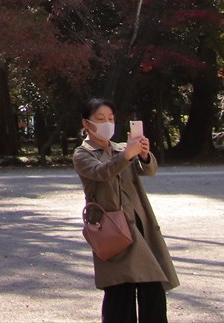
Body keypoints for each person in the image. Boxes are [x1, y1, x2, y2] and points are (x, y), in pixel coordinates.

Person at [74, 98, 178, 323]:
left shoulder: (121, 148)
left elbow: (148, 170)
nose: (107, 123)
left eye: (111, 119)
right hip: (112, 228)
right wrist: (127, 155)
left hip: (139, 223)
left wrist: (143, 155)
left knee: (153, 283)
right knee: (120, 289)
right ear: (86, 123)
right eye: (100, 119)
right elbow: (102, 172)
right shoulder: (83, 154)